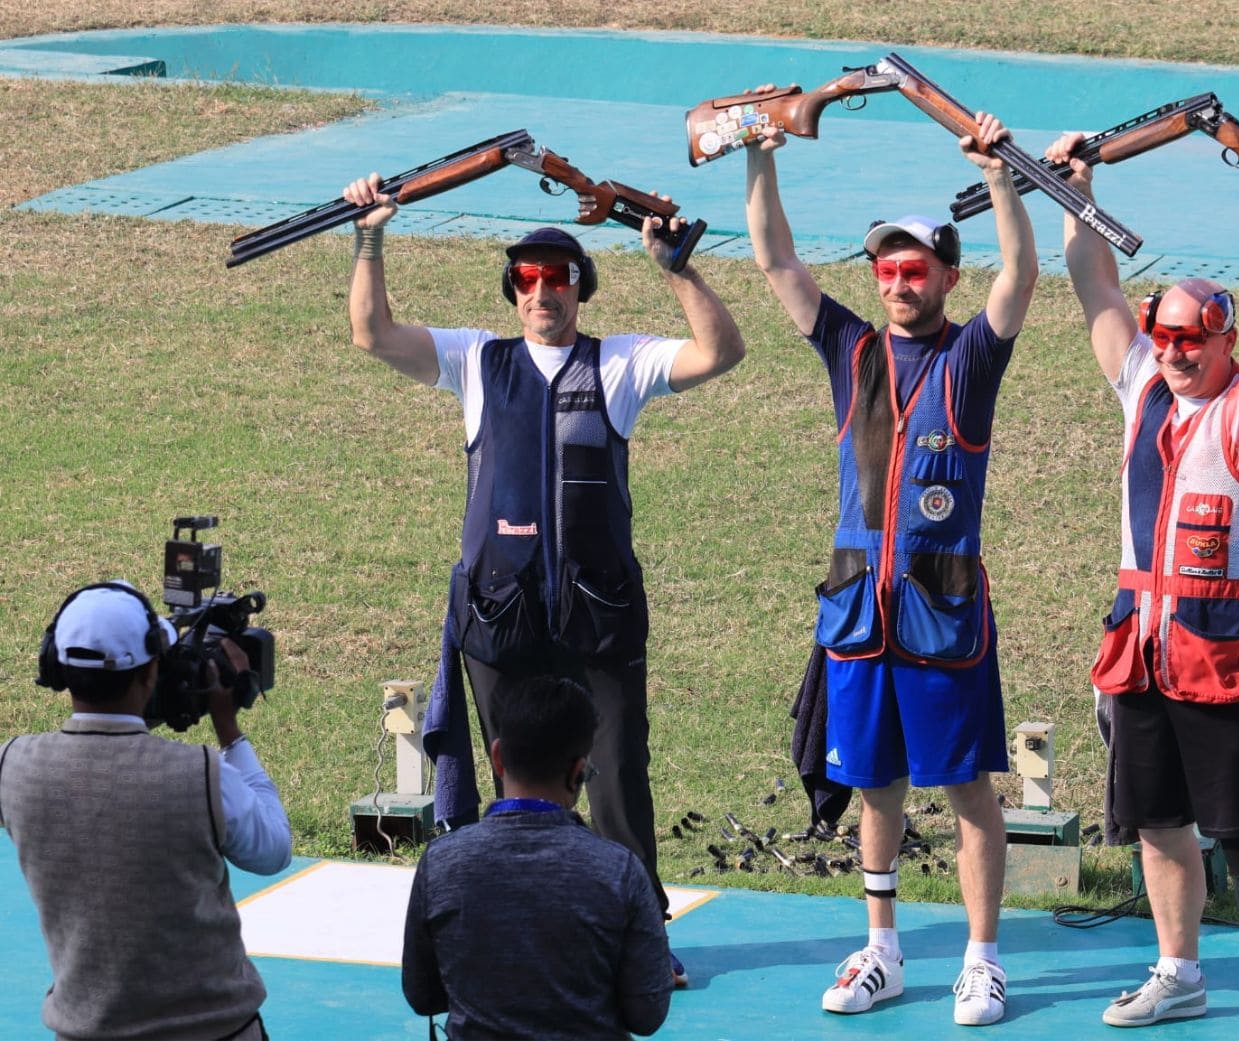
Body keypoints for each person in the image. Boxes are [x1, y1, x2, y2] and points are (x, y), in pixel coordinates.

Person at [339, 174, 745, 980]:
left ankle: (642, 939)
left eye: (556, 277)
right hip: (501, 615)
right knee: (513, 784)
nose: (540, 291)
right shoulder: (476, 360)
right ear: (512, 292)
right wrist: (370, 236)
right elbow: (371, 333)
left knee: (619, 774)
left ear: (579, 290)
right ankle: (512, 932)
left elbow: (721, 351)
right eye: (525, 279)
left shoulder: (621, 363)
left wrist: (678, 269)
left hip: (599, 615)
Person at [742, 96, 1037, 1027]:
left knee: (964, 789)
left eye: (914, 267)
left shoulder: (973, 358)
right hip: (859, 615)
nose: (897, 281)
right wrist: (761, 158)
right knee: (873, 785)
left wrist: (998, 174)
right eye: (884, 267)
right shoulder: (850, 348)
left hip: (942, 614)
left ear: (948, 273)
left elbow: (1021, 277)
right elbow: (777, 261)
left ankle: (983, 960)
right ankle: (883, 950)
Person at [1046, 131, 1239, 1040]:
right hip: (1141, 645)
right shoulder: (1143, 389)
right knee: (1158, 821)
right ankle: (1179, 970)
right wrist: (1074, 194)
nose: (1169, 352)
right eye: (1161, 335)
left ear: (1223, 342)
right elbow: (1091, 283)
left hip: (1226, 654)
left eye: (1189, 340)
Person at [0, 581, 290, 1040]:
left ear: (56, 668)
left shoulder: (12, 765)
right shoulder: (203, 774)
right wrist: (229, 730)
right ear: (153, 671)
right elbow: (273, 850)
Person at [401, 674, 671, 1039]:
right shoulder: (618, 871)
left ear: (497, 757)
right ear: (578, 772)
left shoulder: (441, 863)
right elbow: (647, 1013)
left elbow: (423, 996)